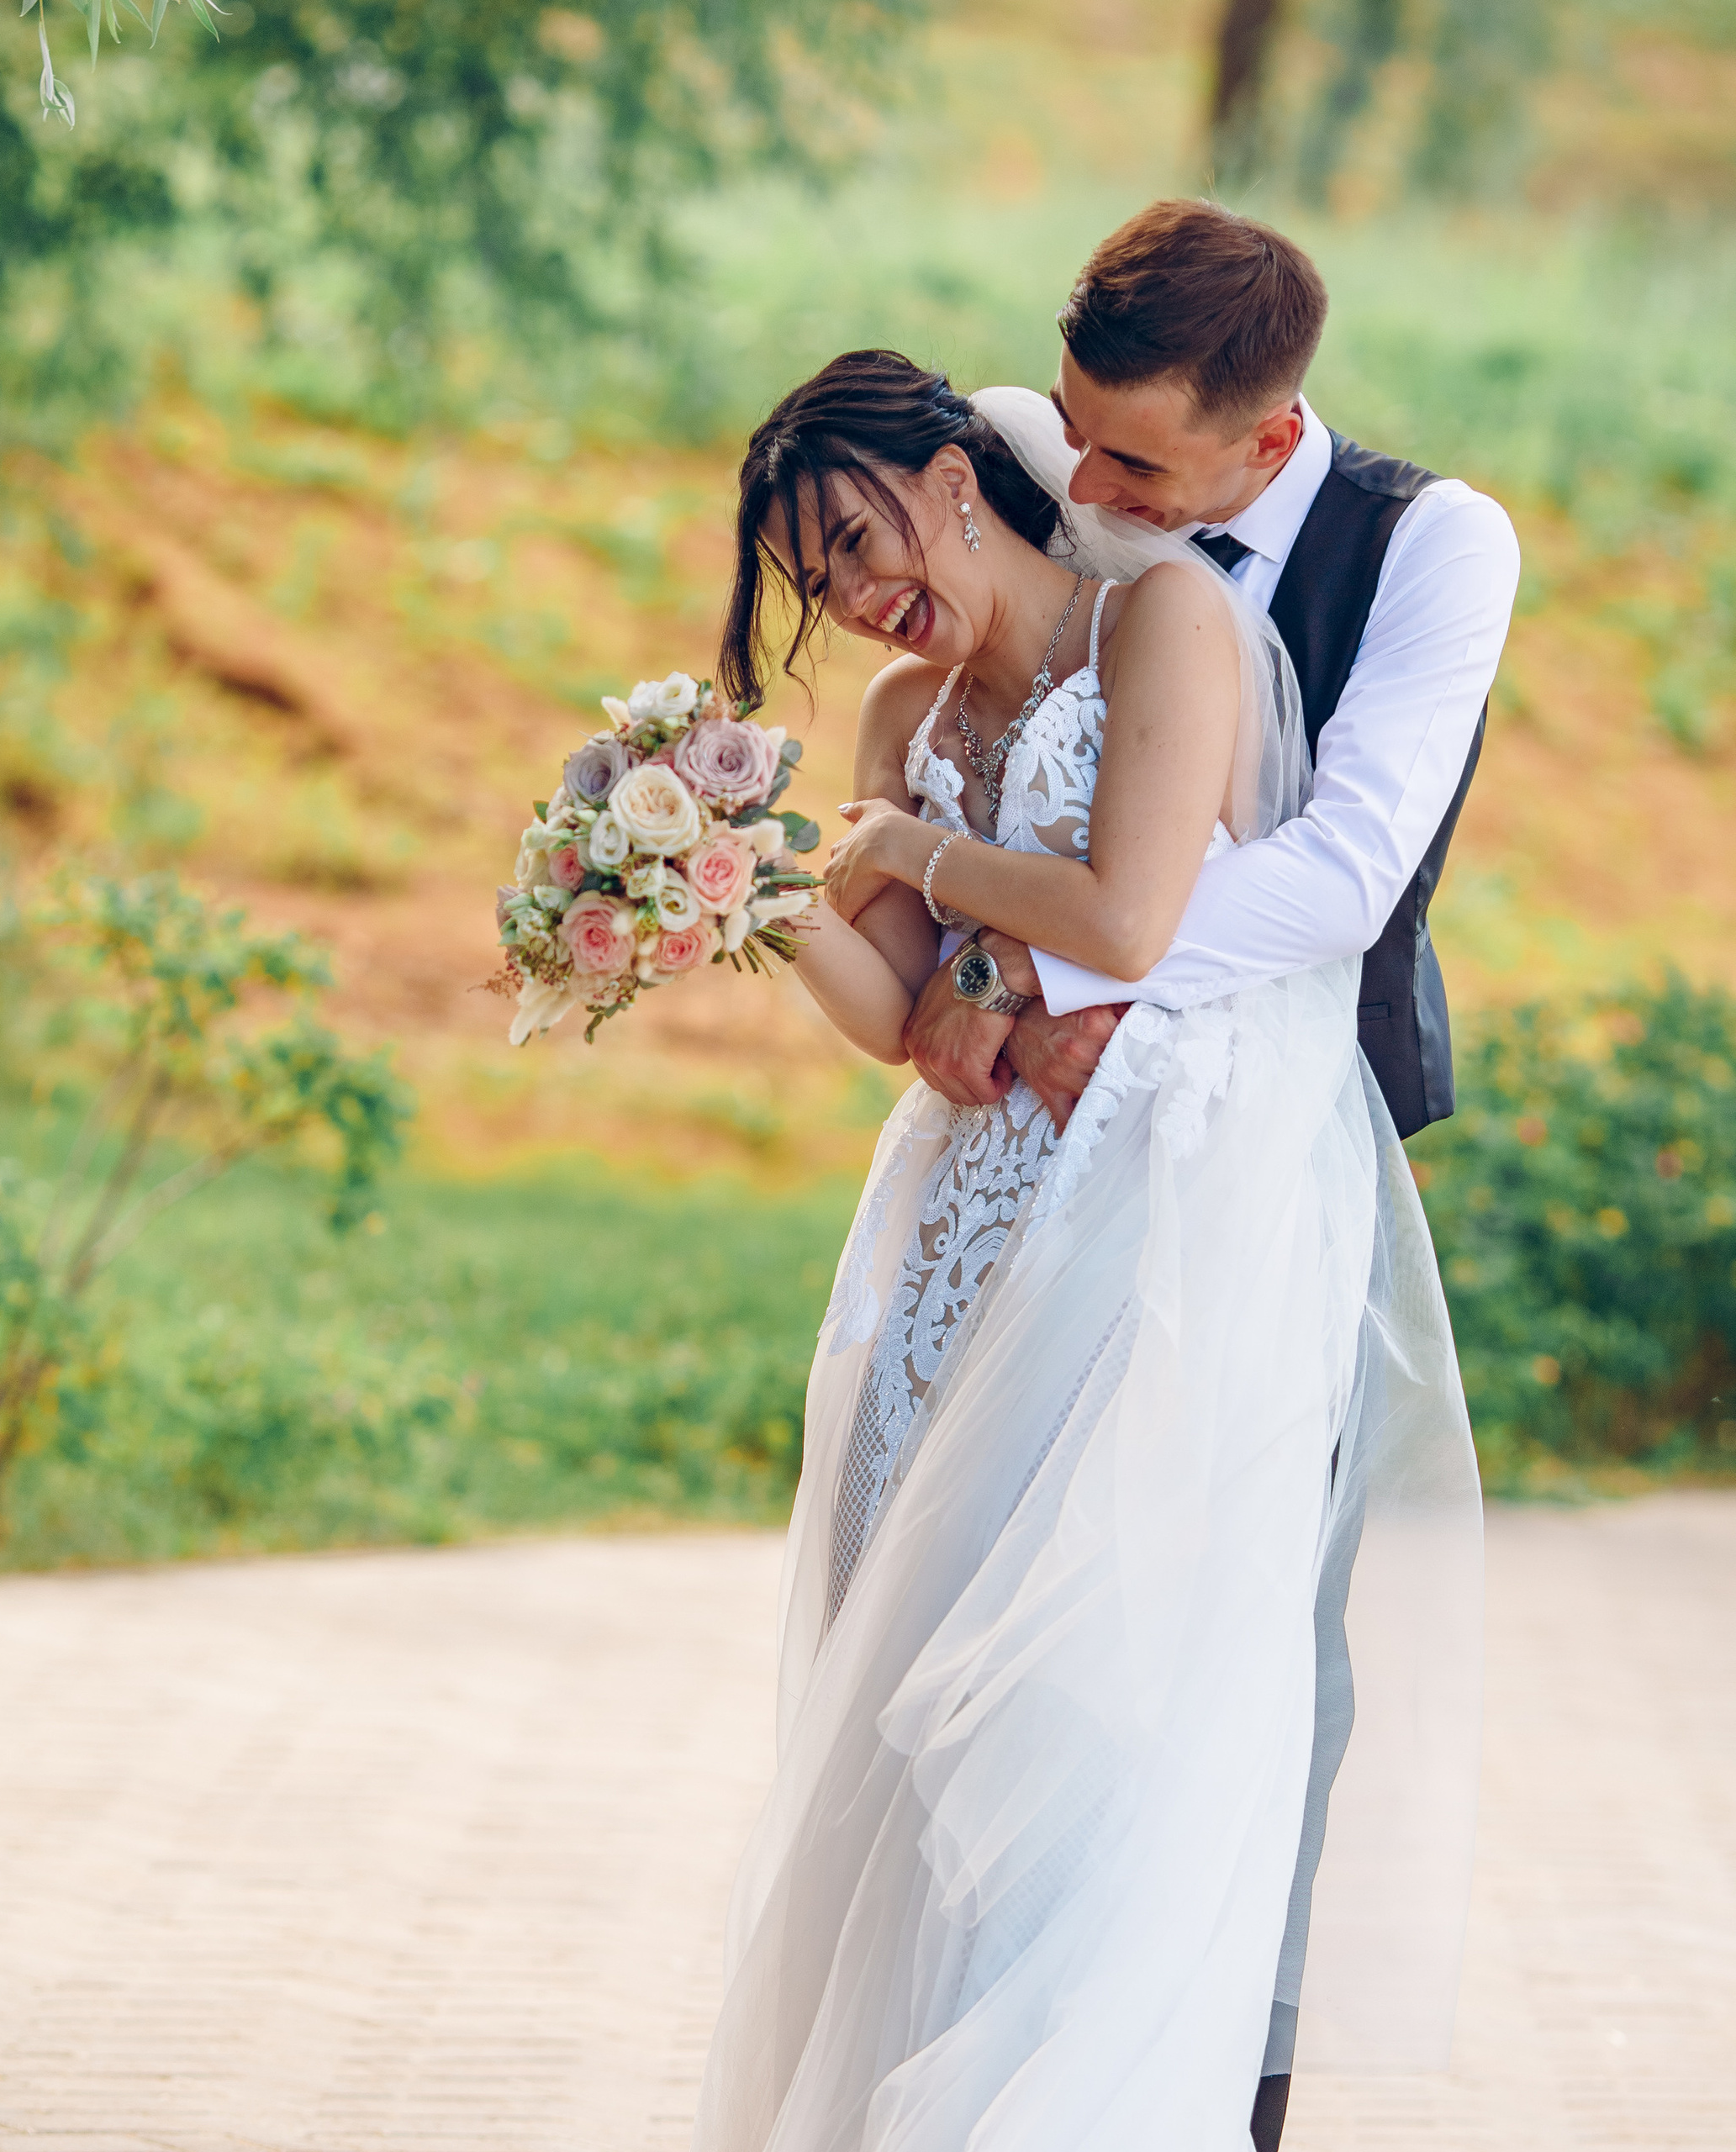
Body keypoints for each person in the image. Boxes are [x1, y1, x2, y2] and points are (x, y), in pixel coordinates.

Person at [693, 330, 1489, 2149]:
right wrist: (721, 889)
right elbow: (894, 1013)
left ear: (955, 477)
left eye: (864, 537)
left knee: (1075, 1677)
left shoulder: (1159, 628)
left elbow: (1131, 915)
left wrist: (923, 858)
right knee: (905, 1655)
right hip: (953, 1228)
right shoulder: (905, 720)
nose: (857, 593)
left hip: (1140, 1215)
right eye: (818, 579)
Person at [895, 198, 1519, 2148]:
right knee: (986, 1627)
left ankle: (1194, 2100)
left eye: (1131, 460)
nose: (1078, 483)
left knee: (1226, 1655)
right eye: (1071, 432)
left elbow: (1346, 868)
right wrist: (983, 964)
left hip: (1279, 1175)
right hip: (1025, 1174)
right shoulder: (1046, 466)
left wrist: (1058, 959)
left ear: (1264, 440)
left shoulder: (1425, 543)